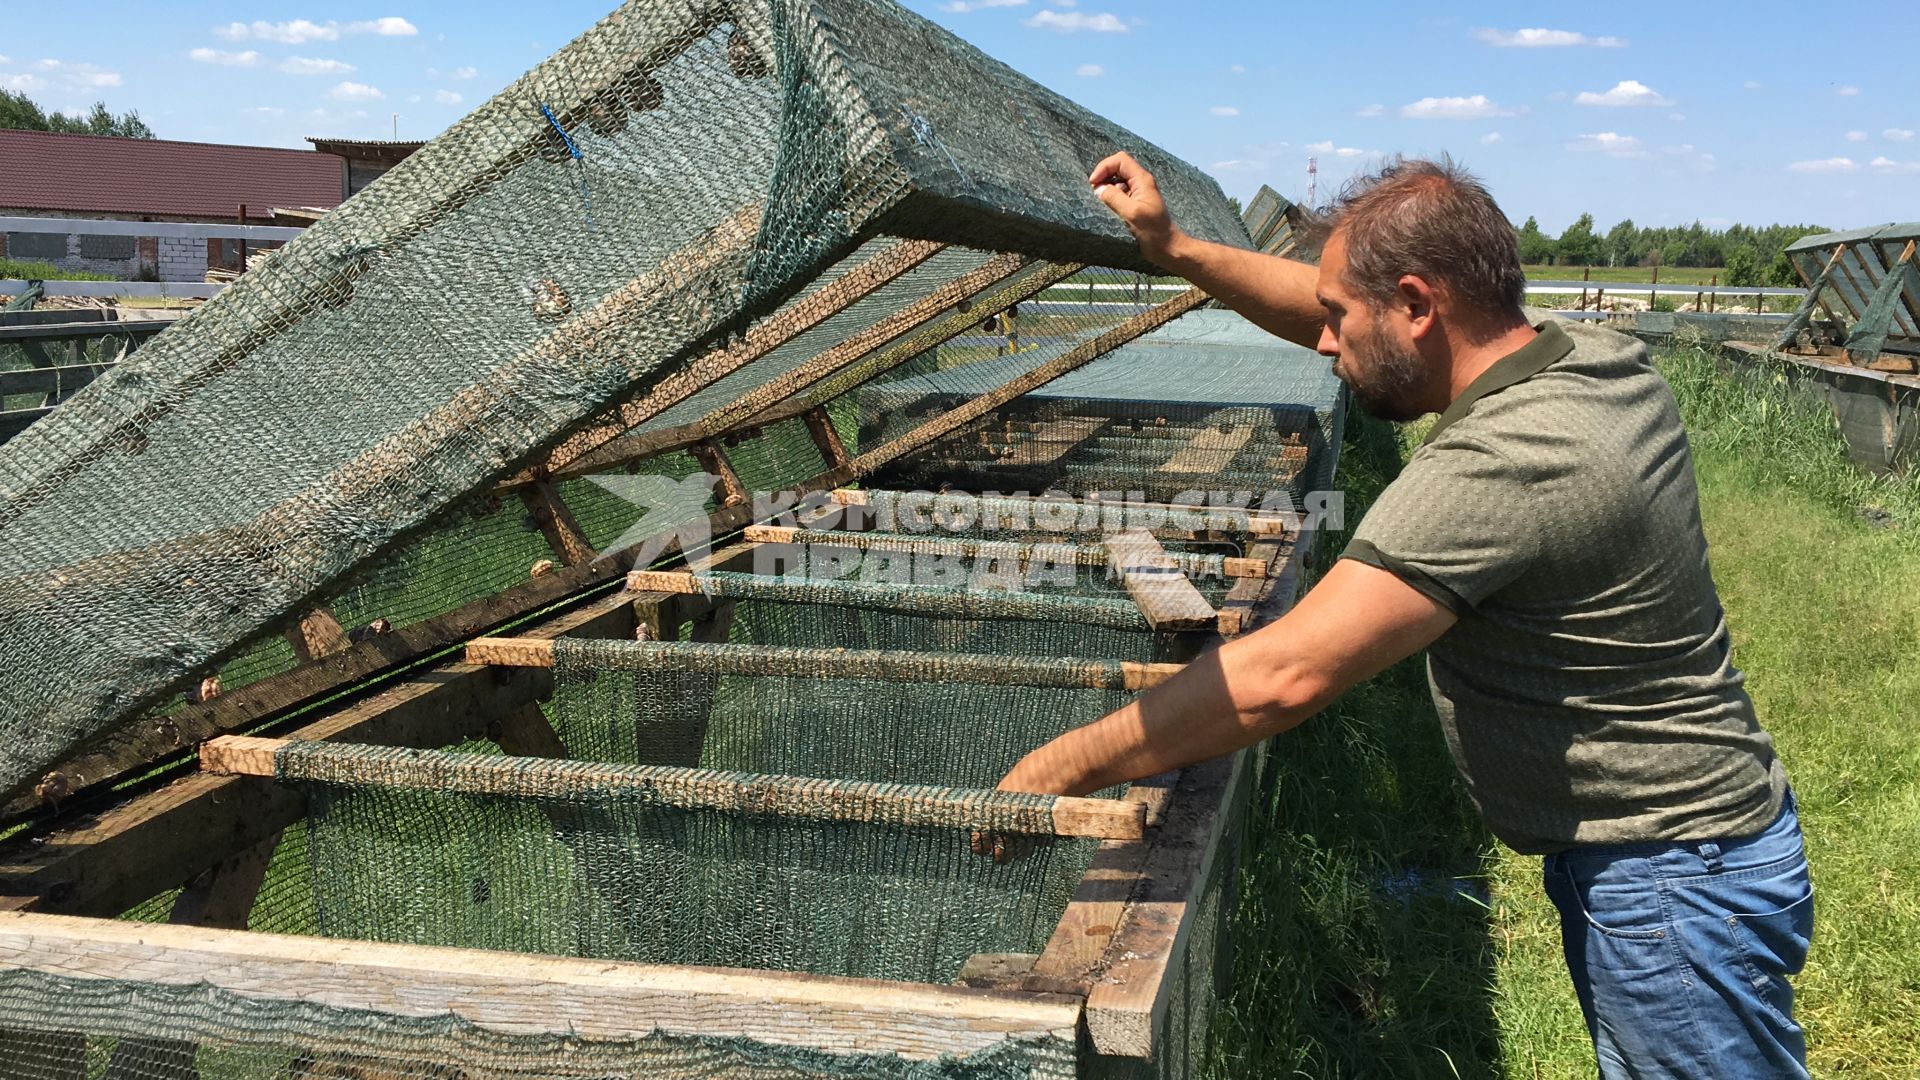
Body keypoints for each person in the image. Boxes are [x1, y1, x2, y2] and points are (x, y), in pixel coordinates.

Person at [996, 152, 1813, 1079]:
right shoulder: (1586, 356)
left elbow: (1280, 677)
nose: (1322, 342)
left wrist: (1058, 766)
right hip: (1700, 848)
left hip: (1667, 884)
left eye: (1340, 321)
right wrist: (1177, 246)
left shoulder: (1504, 462)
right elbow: (1327, 303)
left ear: (1421, 305)